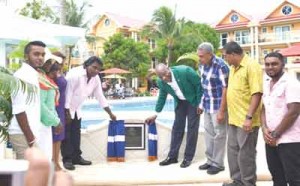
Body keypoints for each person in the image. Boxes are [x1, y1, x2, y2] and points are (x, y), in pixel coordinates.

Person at [62, 56, 117, 170]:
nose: (96, 71)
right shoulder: (74, 74)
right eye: (94, 68)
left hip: (77, 109)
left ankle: (76, 157)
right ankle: (67, 160)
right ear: (87, 65)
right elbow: (67, 94)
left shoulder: (95, 78)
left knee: (76, 135)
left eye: (98, 69)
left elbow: (100, 96)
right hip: (66, 108)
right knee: (67, 136)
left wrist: (110, 113)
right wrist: (66, 112)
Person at [145, 63, 203, 168]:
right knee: (177, 128)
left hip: (193, 102)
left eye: (165, 74)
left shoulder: (185, 71)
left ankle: (188, 158)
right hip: (180, 102)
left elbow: (199, 84)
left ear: (168, 68)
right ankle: (172, 157)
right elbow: (162, 97)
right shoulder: (161, 82)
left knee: (192, 129)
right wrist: (156, 114)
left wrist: (200, 103)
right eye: (160, 76)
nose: (164, 78)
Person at [222, 41, 263, 186]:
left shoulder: (252, 66)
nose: (225, 59)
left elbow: (257, 93)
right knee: (233, 152)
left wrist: (249, 117)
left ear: (233, 54)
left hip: (246, 120)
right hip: (233, 119)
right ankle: (237, 181)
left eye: (225, 56)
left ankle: (248, 183)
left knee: (246, 155)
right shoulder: (233, 68)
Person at [261, 52, 300, 186]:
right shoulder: (266, 83)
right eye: (267, 64)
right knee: (277, 177)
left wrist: (276, 134)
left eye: (274, 64)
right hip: (271, 139)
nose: (270, 67)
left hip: (290, 140)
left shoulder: (291, 83)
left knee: (295, 178)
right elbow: (264, 108)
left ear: (282, 65)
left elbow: (294, 111)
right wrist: (264, 129)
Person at [8, 41, 46, 159]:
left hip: (29, 133)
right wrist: (31, 139)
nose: (40, 58)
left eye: (42, 55)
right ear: (26, 56)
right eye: (36, 54)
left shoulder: (33, 74)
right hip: (22, 133)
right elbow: (19, 110)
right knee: (27, 173)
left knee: (32, 173)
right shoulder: (21, 75)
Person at [197, 42, 229, 175]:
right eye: (199, 56)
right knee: (208, 134)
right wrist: (200, 104)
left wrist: (222, 111)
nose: (200, 59)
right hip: (207, 105)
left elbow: (225, 89)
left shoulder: (221, 66)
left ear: (210, 54)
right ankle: (210, 160)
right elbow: (204, 87)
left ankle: (218, 164)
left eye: (202, 56)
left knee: (219, 135)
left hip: (218, 106)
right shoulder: (201, 65)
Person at [38, 51, 62, 162]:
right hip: (40, 123)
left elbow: (50, 104)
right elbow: (41, 104)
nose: (49, 65)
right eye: (47, 62)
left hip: (47, 123)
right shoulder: (38, 79)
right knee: (42, 158)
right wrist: (56, 121)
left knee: (46, 156)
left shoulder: (44, 78)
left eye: (51, 62)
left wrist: (55, 119)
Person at [52, 51, 68, 171]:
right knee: (54, 136)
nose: (62, 62)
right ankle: (53, 162)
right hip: (54, 106)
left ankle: (56, 161)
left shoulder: (59, 72)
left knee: (59, 137)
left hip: (61, 106)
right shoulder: (50, 73)